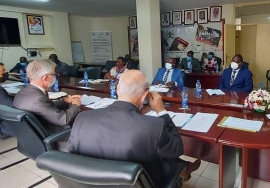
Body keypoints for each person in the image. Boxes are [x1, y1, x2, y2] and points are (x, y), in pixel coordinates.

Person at [68, 70, 201, 187]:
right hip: (141, 183)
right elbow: (177, 148)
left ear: (117, 89)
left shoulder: (82, 118)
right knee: (163, 153)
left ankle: (185, 168)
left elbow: (73, 156)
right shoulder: (153, 125)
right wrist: (161, 111)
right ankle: (185, 169)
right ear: (144, 96)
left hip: (91, 184)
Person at [13, 59, 81, 135]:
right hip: (51, 134)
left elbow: (45, 108)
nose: (55, 77)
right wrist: (75, 105)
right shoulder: (38, 98)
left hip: (31, 134)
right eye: (53, 75)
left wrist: (64, 101)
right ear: (45, 77)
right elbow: (63, 119)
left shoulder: (22, 92)